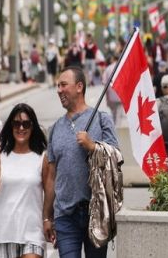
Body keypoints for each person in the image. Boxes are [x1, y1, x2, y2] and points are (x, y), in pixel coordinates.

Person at [43, 66, 119, 258]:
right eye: (57, 86)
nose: (59, 90)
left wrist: (92, 146)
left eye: (63, 85)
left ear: (79, 87)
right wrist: (47, 216)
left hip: (96, 212)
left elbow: (116, 156)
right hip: (65, 216)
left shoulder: (102, 120)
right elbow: (51, 176)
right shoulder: (55, 129)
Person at [0, 103, 48, 258]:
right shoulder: (1, 155)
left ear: (33, 127)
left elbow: (49, 194)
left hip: (32, 232)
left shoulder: (42, 157)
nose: (21, 128)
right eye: (17, 123)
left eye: (26, 124)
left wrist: (47, 220)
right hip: (4, 231)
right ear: (11, 126)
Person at [102, 55, 123, 126]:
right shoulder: (121, 67)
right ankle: (116, 131)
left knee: (113, 115)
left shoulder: (108, 69)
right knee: (118, 117)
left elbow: (105, 83)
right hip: (120, 95)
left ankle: (114, 130)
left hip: (111, 96)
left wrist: (106, 98)